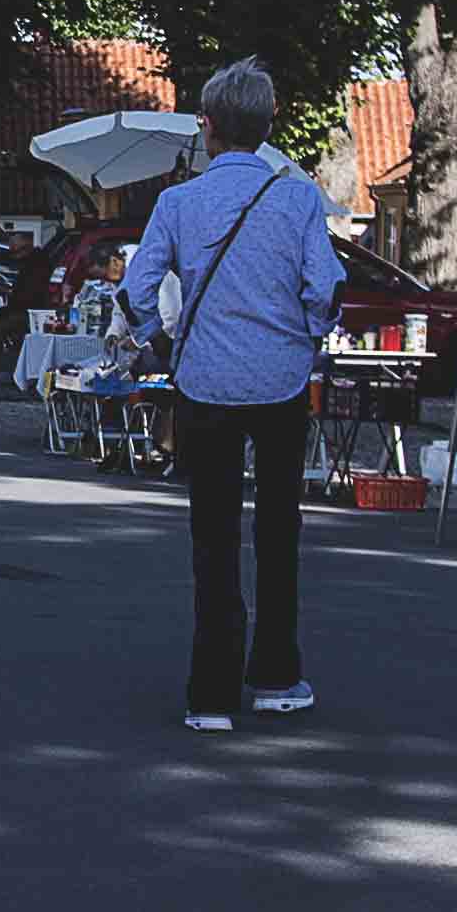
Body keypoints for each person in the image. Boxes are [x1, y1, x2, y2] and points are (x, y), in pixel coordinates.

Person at [115, 58, 342, 734]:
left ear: (206, 128)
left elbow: (137, 286)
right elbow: (324, 287)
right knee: (279, 531)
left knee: (212, 536)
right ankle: (275, 674)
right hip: (278, 384)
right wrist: (307, 337)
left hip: (205, 383)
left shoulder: (177, 203)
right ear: (269, 126)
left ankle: (210, 692)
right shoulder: (298, 197)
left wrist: (158, 339)